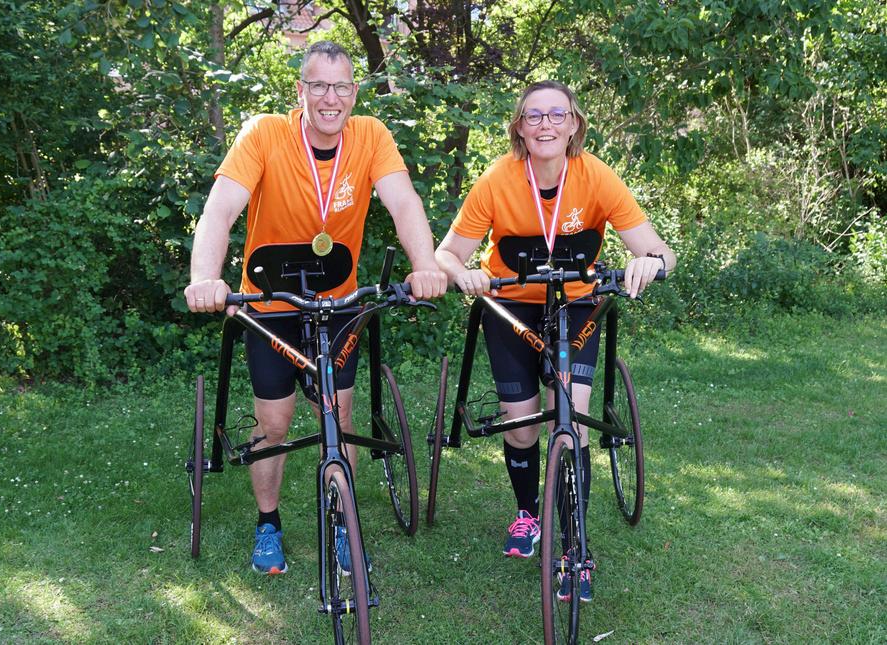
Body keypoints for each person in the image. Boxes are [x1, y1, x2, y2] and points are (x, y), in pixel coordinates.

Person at [184, 41, 447, 575]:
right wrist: (204, 278)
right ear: (300, 90)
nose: (331, 98)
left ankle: (342, 523)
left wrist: (425, 265)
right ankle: (268, 523)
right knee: (275, 423)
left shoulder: (371, 136)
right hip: (269, 303)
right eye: (320, 86)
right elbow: (220, 211)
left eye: (341, 86)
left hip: (336, 303)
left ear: (355, 92)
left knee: (338, 415)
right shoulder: (264, 134)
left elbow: (404, 202)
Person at [435, 80, 675, 602]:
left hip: (575, 303)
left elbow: (662, 252)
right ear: (520, 128)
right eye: (534, 116)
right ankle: (526, 514)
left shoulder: (597, 176)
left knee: (571, 424)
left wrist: (648, 263)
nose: (545, 124)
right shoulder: (497, 180)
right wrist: (463, 272)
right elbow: (445, 253)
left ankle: (575, 548)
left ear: (573, 125)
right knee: (522, 428)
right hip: (511, 305)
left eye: (556, 115)